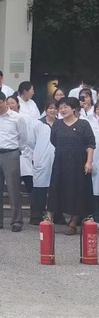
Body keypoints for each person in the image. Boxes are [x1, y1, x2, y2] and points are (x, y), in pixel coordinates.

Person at [47, 97, 95, 235]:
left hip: (78, 161)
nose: (62, 110)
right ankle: (48, 219)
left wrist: (89, 162)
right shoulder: (57, 124)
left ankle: (74, 221)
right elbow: (53, 140)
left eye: (65, 107)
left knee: (78, 190)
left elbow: (91, 144)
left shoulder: (83, 124)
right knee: (56, 187)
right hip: (60, 160)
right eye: (60, 107)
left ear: (74, 109)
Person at [0, 92, 28, 232]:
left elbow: (23, 137)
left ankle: (16, 221)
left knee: (13, 188)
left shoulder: (17, 118)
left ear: (5, 102)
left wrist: (17, 151)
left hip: (11, 153)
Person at [28, 100, 58, 225]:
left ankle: (57, 216)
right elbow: (30, 142)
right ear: (46, 109)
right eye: (50, 108)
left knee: (55, 189)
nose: (52, 110)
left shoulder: (60, 124)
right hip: (41, 159)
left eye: (55, 108)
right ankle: (36, 216)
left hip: (57, 160)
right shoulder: (37, 123)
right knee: (39, 189)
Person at [7, 94, 34, 197]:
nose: (10, 105)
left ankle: (32, 199)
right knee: (14, 178)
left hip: (25, 149)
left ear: (18, 104)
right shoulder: (5, 118)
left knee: (27, 174)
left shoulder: (25, 117)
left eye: (12, 103)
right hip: (11, 150)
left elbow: (28, 134)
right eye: (8, 103)